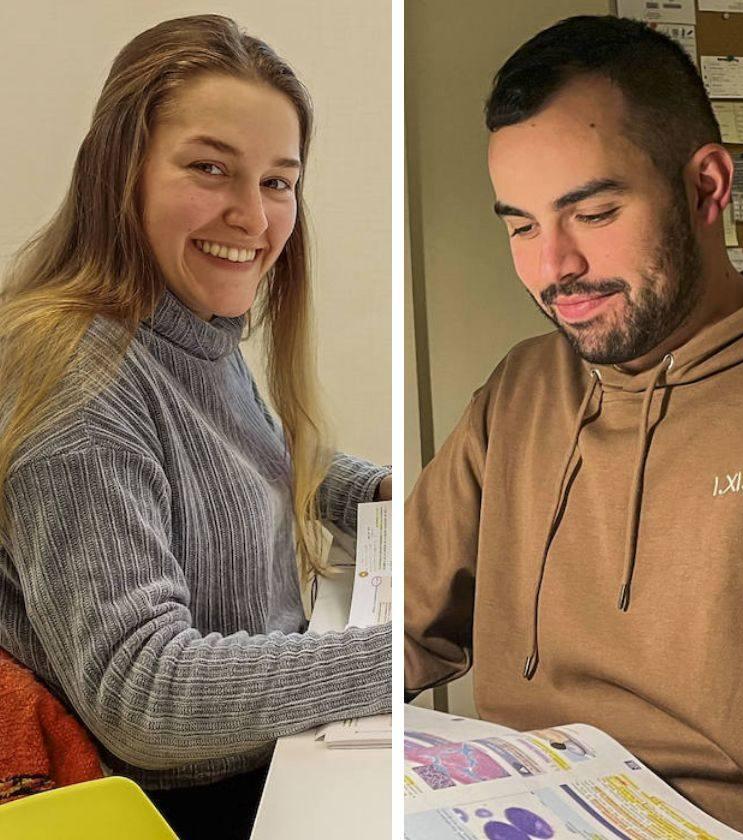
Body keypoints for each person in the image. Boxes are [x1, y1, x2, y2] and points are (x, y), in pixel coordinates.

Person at [405, 15, 743, 840]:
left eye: (593, 212)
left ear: (706, 187)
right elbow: (401, 626)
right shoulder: (520, 390)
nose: (553, 269)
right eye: (520, 226)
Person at [0, 16, 390, 839]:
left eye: (278, 182)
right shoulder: (80, 377)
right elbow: (142, 697)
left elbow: (245, 458)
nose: (252, 216)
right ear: (121, 173)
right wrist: (406, 654)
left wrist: (386, 493)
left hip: (267, 765)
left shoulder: (184, 325)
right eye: (211, 168)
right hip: (183, 809)